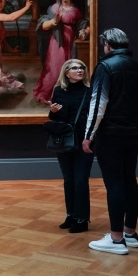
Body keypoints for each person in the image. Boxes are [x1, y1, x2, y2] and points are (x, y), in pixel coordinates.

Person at [82, 28, 138, 255]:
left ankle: (115, 239)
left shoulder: (105, 67)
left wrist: (89, 135)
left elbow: (97, 105)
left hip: (110, 135)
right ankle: (130, 233)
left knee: (114, 182)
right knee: (129, 180)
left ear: (107, 45)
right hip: (133, 134)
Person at [47, 59, 94, 233]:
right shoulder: (59, 91)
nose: (80, 70)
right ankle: (71, 215)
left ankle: (82, 220)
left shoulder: (90, 91)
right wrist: (53, 112)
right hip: (65, 141)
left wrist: (90, 137)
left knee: (81, 180)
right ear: (66, 72)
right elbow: (56, 119)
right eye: (75, 68)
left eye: (82, 67)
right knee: (69, 180)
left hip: (84, 141)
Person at [33, 0, 83, 103]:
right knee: (55, 69)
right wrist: (54, 21)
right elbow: (43, 24)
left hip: (70, 41)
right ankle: (48, 95)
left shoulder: (75, 10)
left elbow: (80, 23)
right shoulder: (55, 8)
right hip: (57, 41)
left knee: (69, 68)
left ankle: (65, 96)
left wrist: (83, 30)